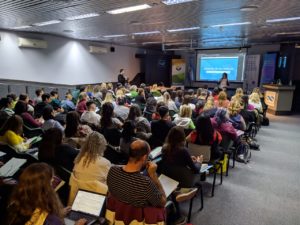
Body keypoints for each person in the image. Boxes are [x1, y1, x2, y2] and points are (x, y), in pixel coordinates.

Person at [106, 140, 166, 224]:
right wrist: (153, 176)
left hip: (118, 217)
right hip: (136, 220)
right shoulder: (145, 183)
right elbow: (163, 202)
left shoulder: (112, 170)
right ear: (144, 157)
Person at [6, 163, 86, 225]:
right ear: (45, 188)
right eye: (51, 181)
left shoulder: (15, 204)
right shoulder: (51, 220)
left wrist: (59, 212)